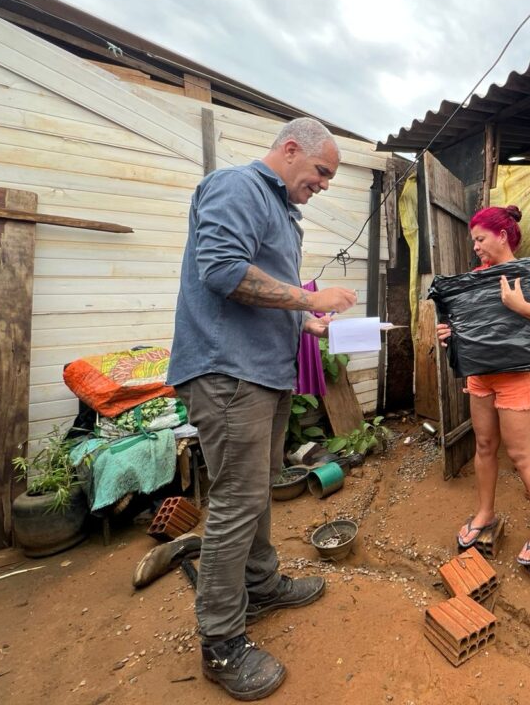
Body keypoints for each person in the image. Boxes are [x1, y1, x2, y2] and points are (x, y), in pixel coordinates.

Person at [167, 117, 357, 701]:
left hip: (263, 372)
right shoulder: (237, 186)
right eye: (321, 171)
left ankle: (260, 584)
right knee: (235, 501)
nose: (324, 183)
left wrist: (305, 322)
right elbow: (222, 271)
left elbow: (262, 288)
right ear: (290, 149)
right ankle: (222, 641)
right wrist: (309, 296)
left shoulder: (281, 210)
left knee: (256, 490)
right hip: (228, 370)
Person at [436, 205, 530, 567]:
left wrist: (518, 304)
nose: (475, 246)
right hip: (481, 376)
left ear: (503, 236)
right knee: (484, 446)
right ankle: (485, 512)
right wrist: (449, 334)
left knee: (522, 455)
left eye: (480, 239)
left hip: (517, 377)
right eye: (474, 241)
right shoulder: (475, 280)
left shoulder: (528, 275)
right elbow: (465, 326)